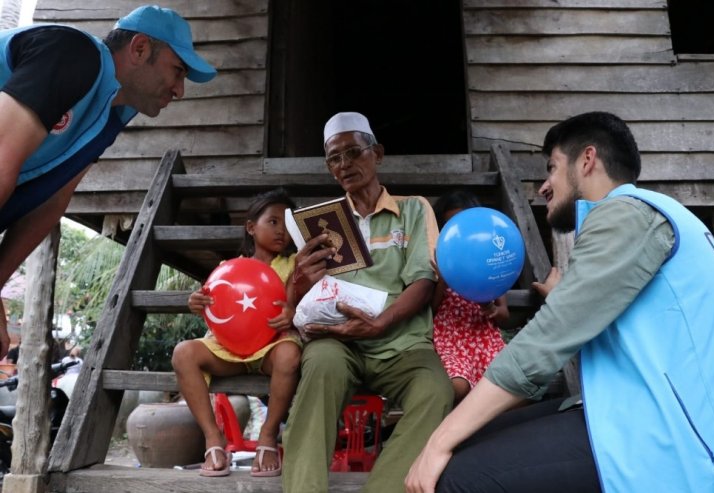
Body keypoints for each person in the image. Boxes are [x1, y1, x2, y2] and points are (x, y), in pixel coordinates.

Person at [406, 111, 714, 493]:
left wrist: (437, 441)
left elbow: (547, 340)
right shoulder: (647, 214)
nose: (543, 187)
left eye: (552, 168)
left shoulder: (625, 214)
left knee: (456, 476)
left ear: (587, 160)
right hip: (645, 412)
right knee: (474, 438)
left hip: (677, 443)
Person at [0, 5, 216, 359]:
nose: (180, 91)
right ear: (140, 48)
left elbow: (52, 202)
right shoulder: (73, 54)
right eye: (178, 71)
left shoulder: (109, 116)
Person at [281, 112, 454, 493]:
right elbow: (303, 299)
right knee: (320, 367)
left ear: (377, 154)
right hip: (339, 341)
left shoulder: (412, 209)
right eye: (334, 158)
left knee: (435, 392)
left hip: (402, 343)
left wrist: (380, 324)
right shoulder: (324, 222)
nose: (344, 165)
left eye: (353, 153)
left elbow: (424, 280)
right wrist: (300, 281)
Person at [172, 188, 302, 478]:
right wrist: (199, 303)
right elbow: (217, 311)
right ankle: (212, 437)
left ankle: (268, 435)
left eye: (288, 225)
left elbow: (296, 303)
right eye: (273, 222)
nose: (282, 231)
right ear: (251, 227)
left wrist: (291, 312)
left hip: (272, 347)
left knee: (290, 354)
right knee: (184, 353)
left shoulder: (295, 265)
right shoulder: (226, 270)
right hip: (229, 350)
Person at [431, 190, 509, 403]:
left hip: (483, 337)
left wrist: (491, 308)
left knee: (506, 386)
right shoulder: (439, 259)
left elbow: (504, 314)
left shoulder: (490, 263)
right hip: (449, 337)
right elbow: (431, 310)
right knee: (458, 385)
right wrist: (442, 280)